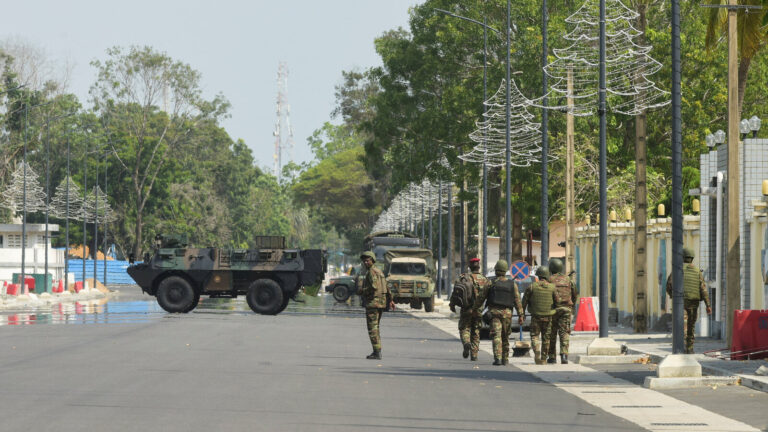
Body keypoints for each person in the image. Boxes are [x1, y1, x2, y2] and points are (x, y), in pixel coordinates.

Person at [665, 247, 711, 354]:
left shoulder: (677, 270)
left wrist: (673, 296)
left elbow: (669, 285)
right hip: (694, 303)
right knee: (691, 326)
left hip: (681, 303)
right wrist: (708, 305)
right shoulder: (697, 272)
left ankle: (684, 347)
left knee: (683, 326)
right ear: (692, 258)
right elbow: (703, 289)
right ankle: (690, 348)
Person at [485, 260, 524, 366]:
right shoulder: (512, 284)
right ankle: (505, 359)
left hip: (494, 313)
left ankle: (497, 358)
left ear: (496, 270)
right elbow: (517, 301)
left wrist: (476, 309)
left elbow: (481, 297)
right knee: (505, 336)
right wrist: (521, 315)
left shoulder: (491, 283)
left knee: (496, 335)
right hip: (507, 314)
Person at [452, 257, 490, 361]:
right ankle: (474, 355)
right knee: (476, 331)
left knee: (464, 328)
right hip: (478, 311)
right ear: (479, 266)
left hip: (466, 309)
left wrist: (452, 305)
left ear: (470, 266)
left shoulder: (464, 278)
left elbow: (456, 292)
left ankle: (466, 343)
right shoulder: (485, 279)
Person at [359, 251, 394, 360]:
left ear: (372, 260)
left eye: (368, 260)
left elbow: (373, 287)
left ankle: (377, 352)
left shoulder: (371, 272)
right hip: (381, 303)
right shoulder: (380, 271)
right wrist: (391, 300)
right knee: (376, 328)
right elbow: (387, 287)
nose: (366, 262)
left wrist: (362, 291)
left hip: (373, 303)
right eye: (364, 260)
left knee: (372, 329)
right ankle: (377, 350)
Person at [522, 267, 557, 365]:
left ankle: (536, 350)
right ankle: (544, 358)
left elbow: (524, 302)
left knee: (534, 336)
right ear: (546, 276)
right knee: (546, 337)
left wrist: (522, 314)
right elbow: (557, 301)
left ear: (538, 276)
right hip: (548, 316)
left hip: (535, 316)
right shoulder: (552, 287)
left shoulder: (532, 286)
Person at [547, 258, 578, 364]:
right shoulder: (568, 280)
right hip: (566, 310)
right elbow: (575, 294)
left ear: (551, 268)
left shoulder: (549, 279)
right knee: (564, 333)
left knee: (552, 333)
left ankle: (552, 357)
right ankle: (564, 355)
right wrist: (571, 306)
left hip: (552, 310)